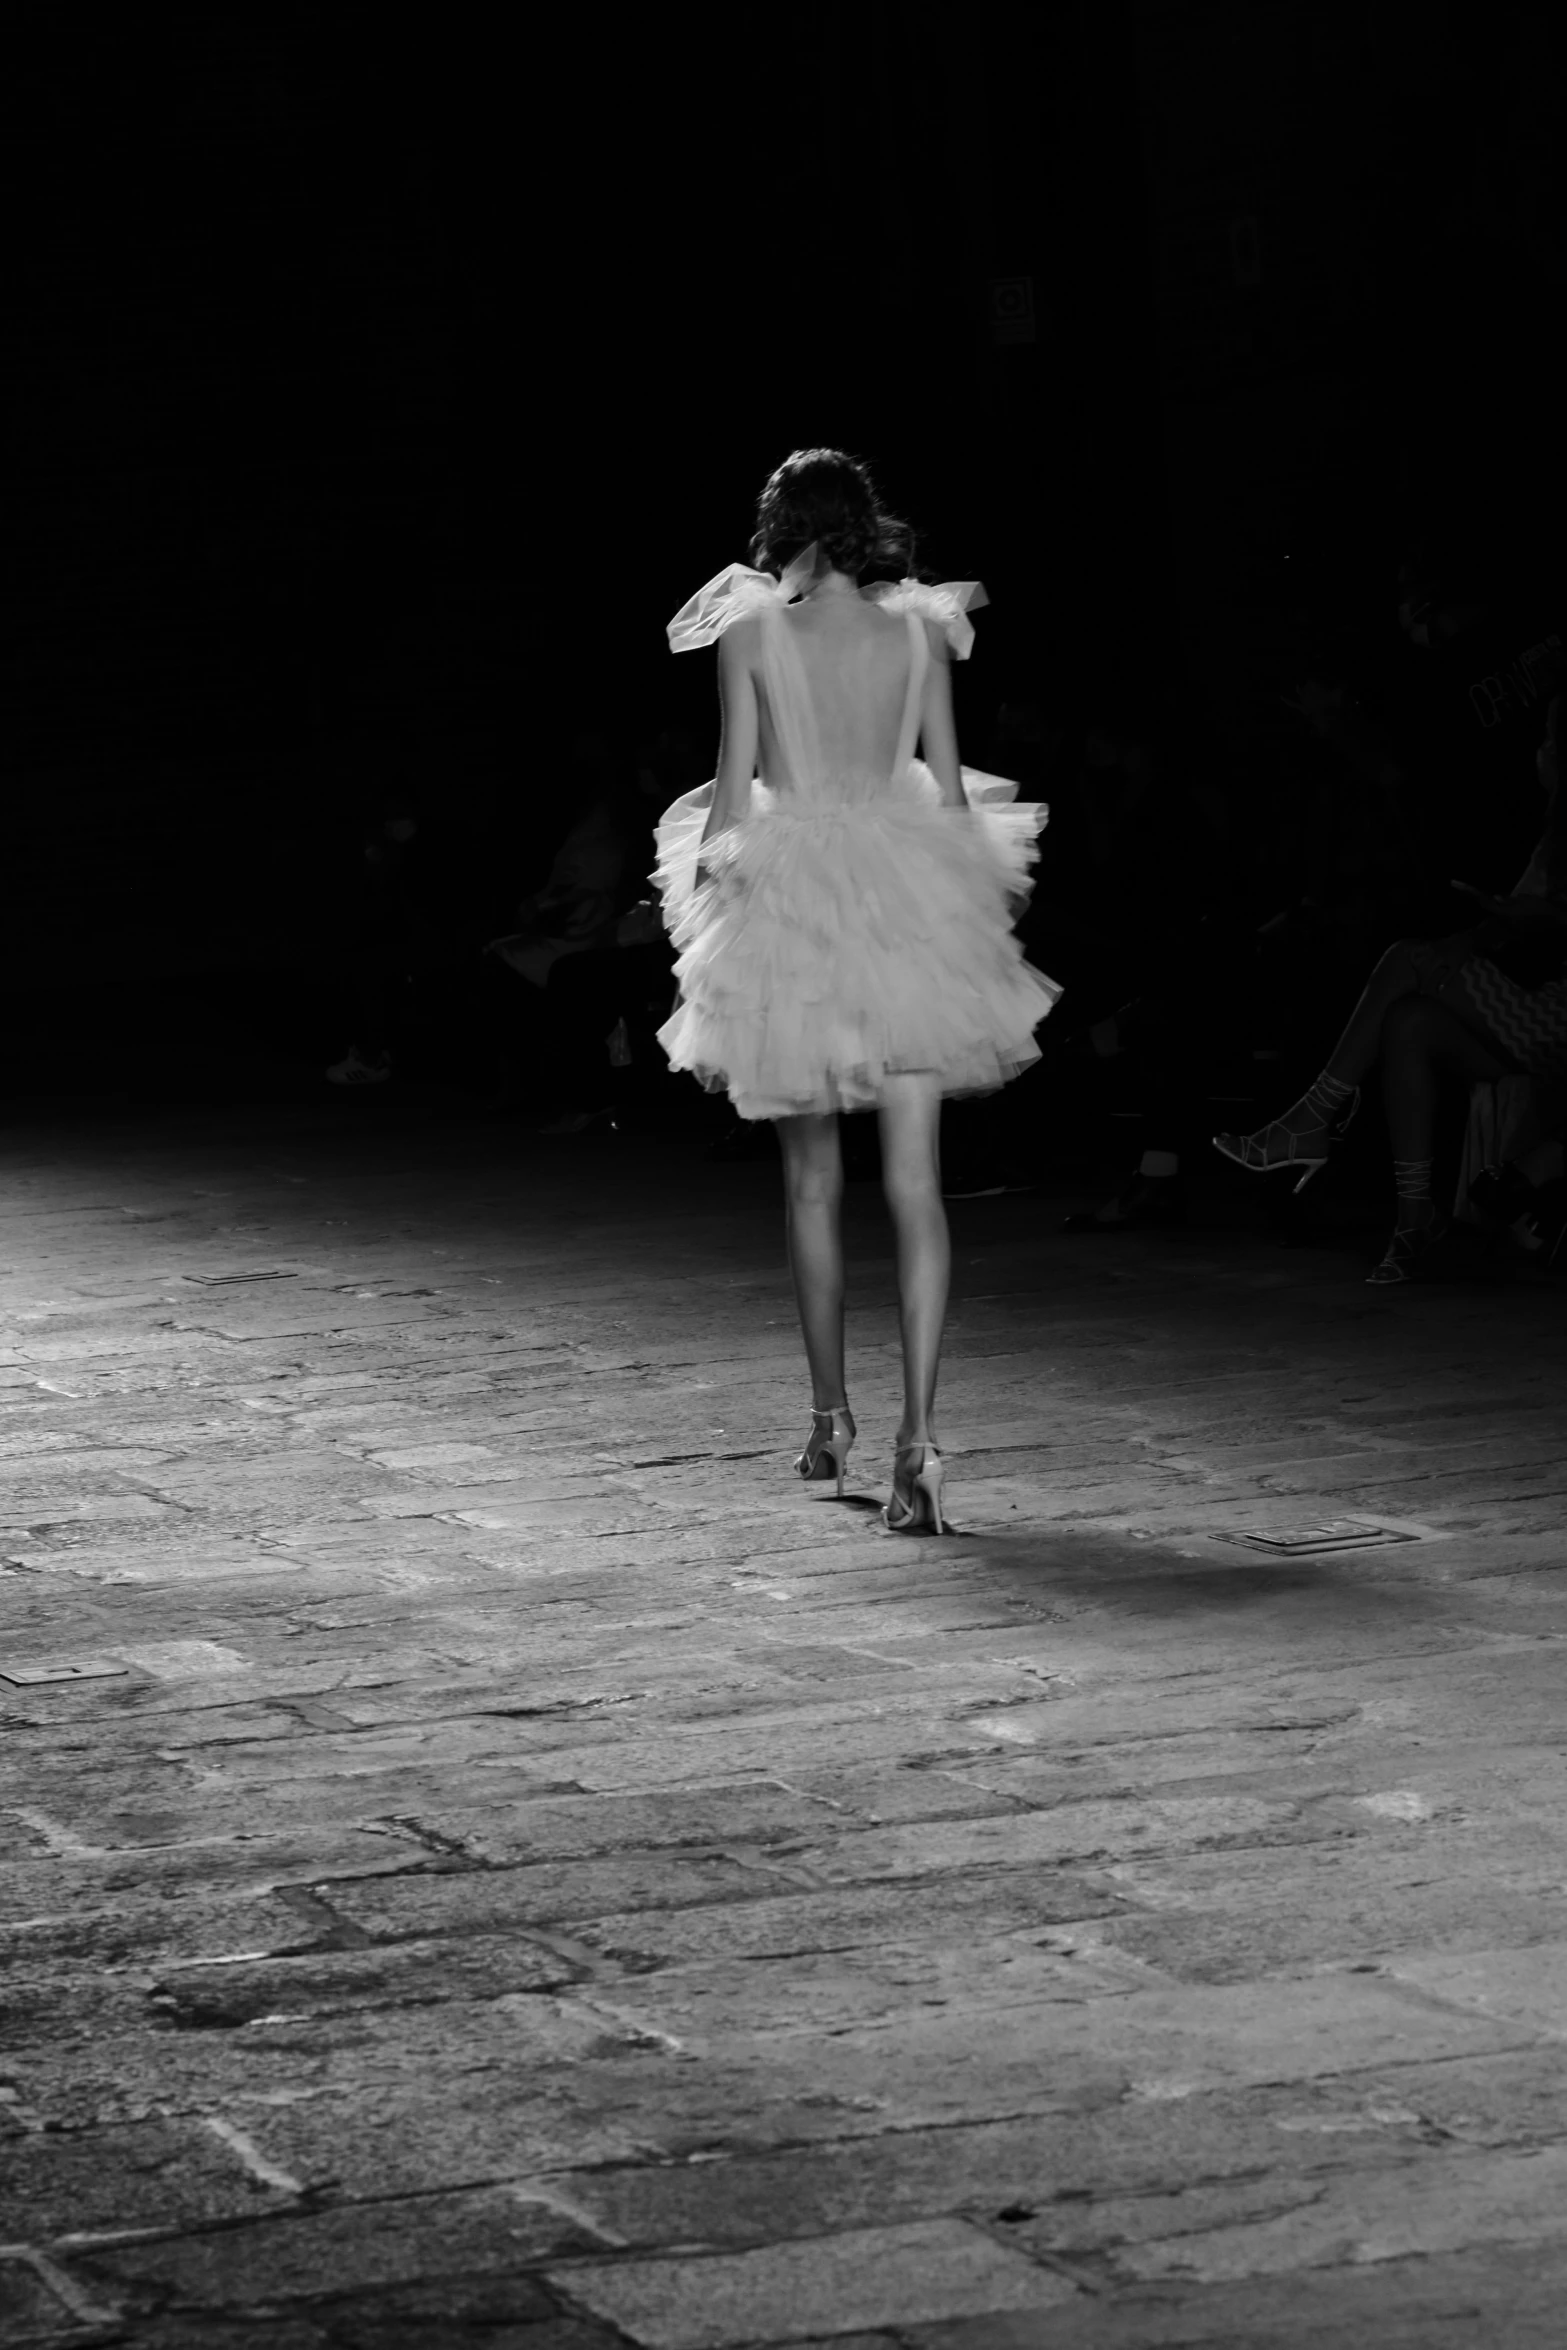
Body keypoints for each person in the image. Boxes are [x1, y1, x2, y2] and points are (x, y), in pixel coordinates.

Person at [652, 449, 1059, 1530]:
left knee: (813, 1185)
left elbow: (735, 798)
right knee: (917, 1185)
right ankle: (917, 1444)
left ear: (785, 528)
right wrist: (968, 917)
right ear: (864, 525)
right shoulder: (921, 629)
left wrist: (702, 912)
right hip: (907, 899)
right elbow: (951, 793)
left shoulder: (749, 630)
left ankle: (829, 1419)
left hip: (794, 903)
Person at [1215, 694, 1567, 1284]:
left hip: (1557, 1011)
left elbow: (1540, 920)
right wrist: (1485, 929)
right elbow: (1519, 916)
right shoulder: (1556, 828)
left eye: (1555, 740)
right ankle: (1413, 1216)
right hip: (1538, 1003)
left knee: (1403, 959)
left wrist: (1511, 924)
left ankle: (1310, 1119)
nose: (1545, 751)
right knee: (1407, 1020)